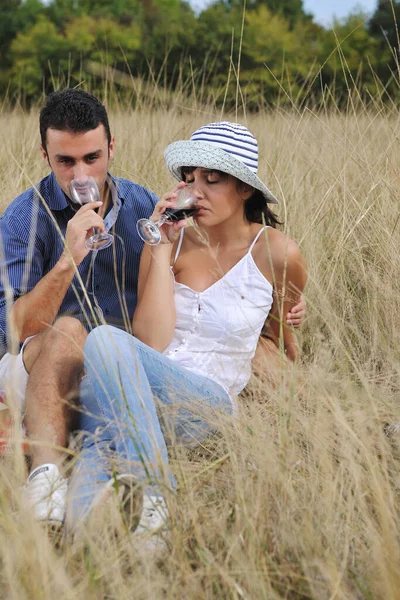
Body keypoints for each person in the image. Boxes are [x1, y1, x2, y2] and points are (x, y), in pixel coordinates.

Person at [0, 94, 305, 527]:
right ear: (45, 155)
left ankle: (130, 506)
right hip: (57, 362)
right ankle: (53, 482)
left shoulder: (145, 208)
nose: (80, 174)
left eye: (92, 157)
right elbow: (12, 331)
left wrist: (282, 307)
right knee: (75, 331)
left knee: (105, 350)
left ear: (112, 148)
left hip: (139, 376)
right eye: (65, 161)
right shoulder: (23, 217)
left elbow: (271, 339)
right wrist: (71, 260)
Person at [67, 121, 307, 551]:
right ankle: (106, 545)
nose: (196, 192)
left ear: (245, 190)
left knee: (103, 340)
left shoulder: (277, 252)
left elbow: (281, 346)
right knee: (83, 506)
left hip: (205, 405)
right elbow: (151, 342)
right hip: (139, 397)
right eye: (191, 180)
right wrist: (160, 247)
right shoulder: (168, 244)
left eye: (212, 181)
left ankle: (159, 489)